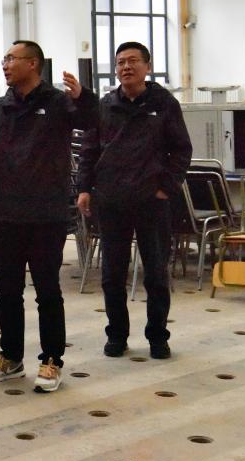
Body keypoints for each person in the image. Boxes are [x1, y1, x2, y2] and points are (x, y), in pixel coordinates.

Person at [0, 41, 98, 393]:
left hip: (45, 213)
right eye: (5, 59)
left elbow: (93, 123)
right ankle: (11, 356)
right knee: (8, 290)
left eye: (11, 59)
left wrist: (83, 97)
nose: (5, 65)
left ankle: (51, 360)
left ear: (33, 64)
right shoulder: (0, 106)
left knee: (47, 290)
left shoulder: (58, 102)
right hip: (6, 212)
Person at [77, 41, 192, 360]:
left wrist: (165, 187)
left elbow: (182, 149)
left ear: (147, 66)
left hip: (151, 201)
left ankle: (158, 337)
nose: (126, 67)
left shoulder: (164, 103)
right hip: (111, 199)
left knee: (155, 273)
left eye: (132, 61)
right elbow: (89, 150)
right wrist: (84, 188)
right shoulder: (105, 105)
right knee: (112, 274)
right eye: (120, 62)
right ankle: (117, 335)